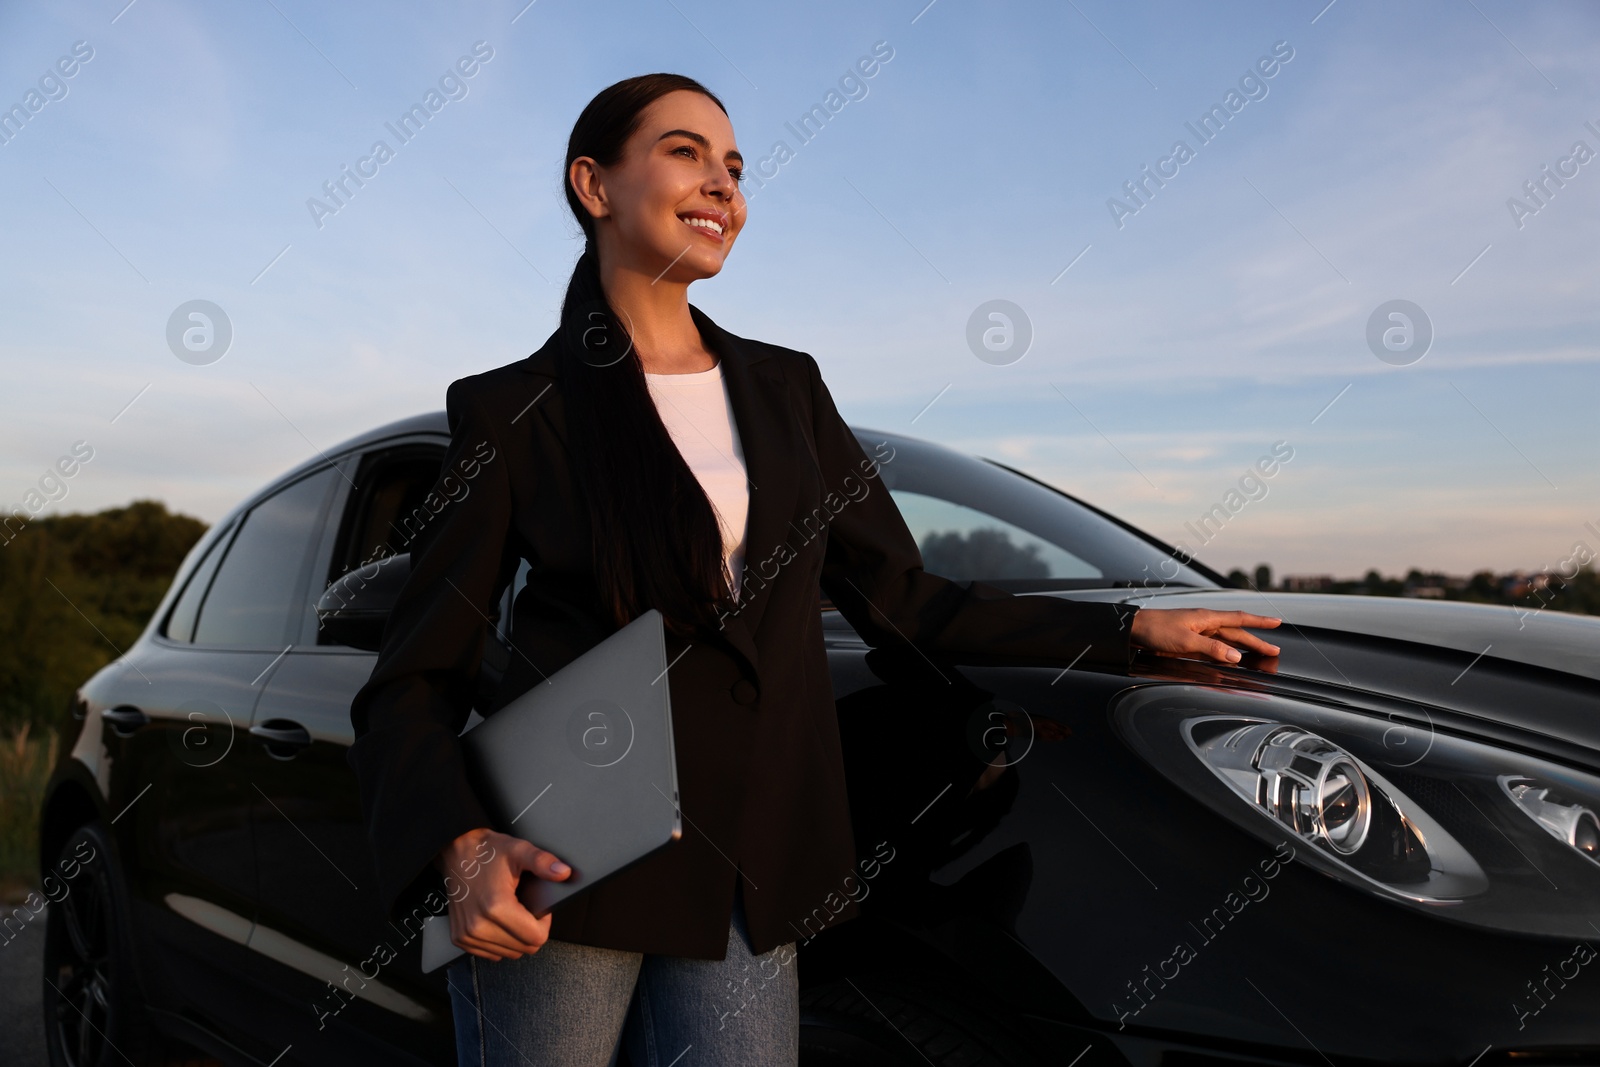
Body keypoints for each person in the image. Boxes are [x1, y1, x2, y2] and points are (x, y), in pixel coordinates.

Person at [346, 72, 1282, 1067]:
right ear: (594, 184)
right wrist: (462, 843)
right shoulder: (510, 410)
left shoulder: (787, 388)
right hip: (567, 855)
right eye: (685, 152)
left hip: (756, 865)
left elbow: (907, 599)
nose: (723, 185)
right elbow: (413, 678)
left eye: (736, 166)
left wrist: (1126, 628)